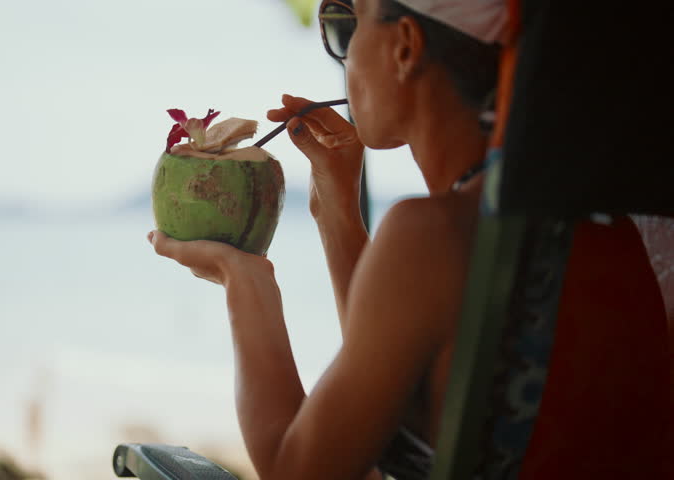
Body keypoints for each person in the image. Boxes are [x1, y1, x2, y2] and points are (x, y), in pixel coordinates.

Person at [149, 0, 673, 478]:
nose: (344, 54)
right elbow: (388, 409)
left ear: (404, 46)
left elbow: (297, 471)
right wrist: (336, 211)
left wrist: (245, 279)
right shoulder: (605, 232)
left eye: (348, 25)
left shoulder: (432, 233)